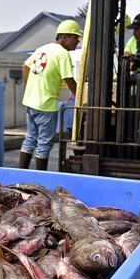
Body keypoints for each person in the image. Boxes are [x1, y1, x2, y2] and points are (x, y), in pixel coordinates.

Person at [18, 20, 81, 171]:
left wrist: (30, 88)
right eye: (75, 37)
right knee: (44, 144)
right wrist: (82, 98)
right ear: (64, 37)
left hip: (30, 102)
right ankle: (41, 180)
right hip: (46, 105)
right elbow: (70, 81)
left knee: (30, 139)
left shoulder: (43, 49)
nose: (78, 41)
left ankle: (20, 174)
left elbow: (25, 66)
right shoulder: (63, 54)